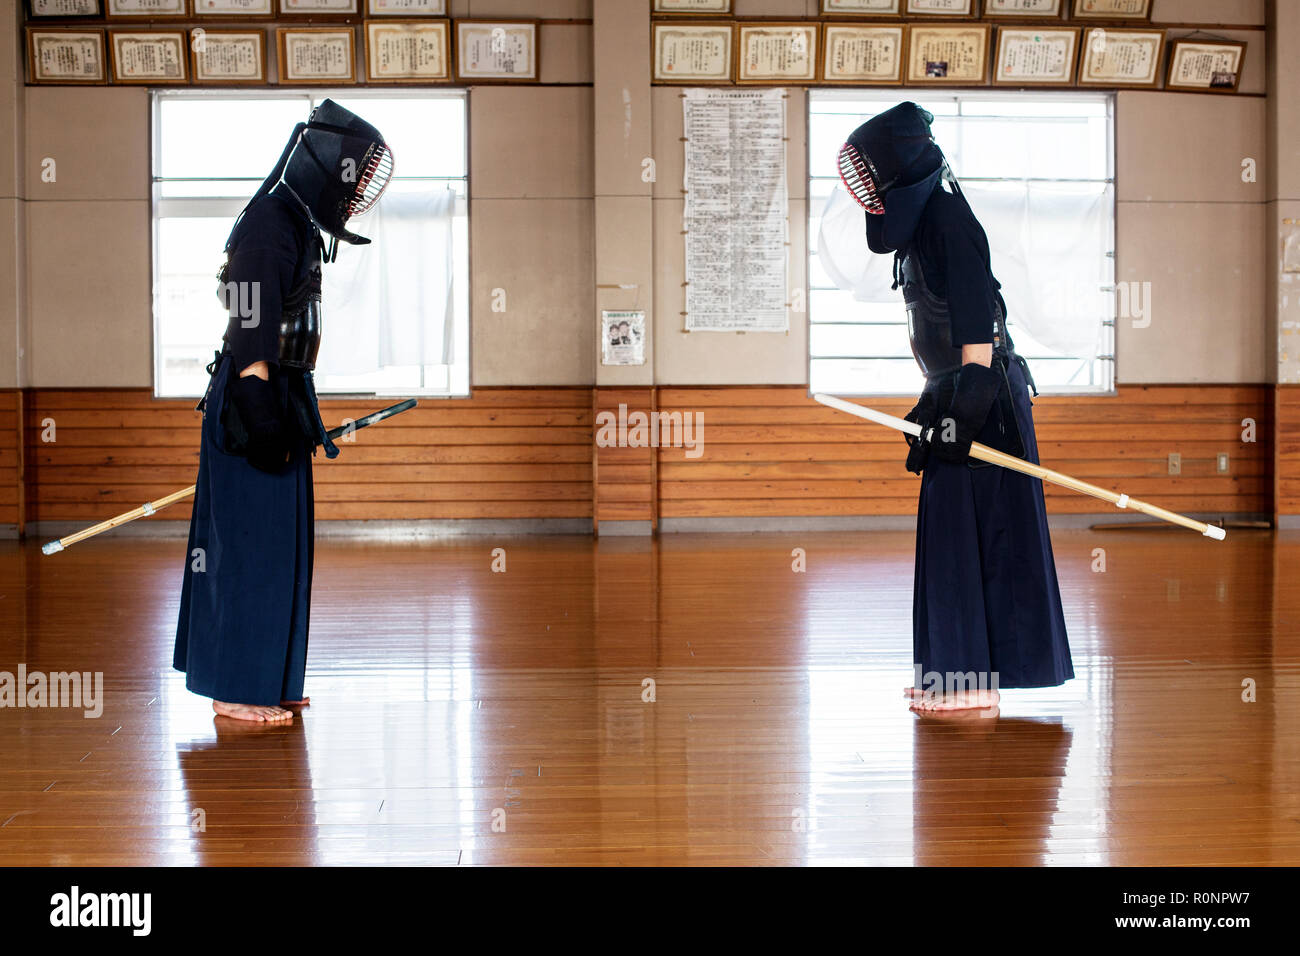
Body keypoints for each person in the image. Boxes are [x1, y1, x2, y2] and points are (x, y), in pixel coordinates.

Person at [836, 102, 1073, 712]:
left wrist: (964, 409)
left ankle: (973, 683)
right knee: (946, 532)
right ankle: (952, 673)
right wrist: (932, 405)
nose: (867, 189)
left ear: (899, 170)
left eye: (872, 174)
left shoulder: (948, 219)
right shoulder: (919, 230)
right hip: (957, 390)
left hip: (986, 396)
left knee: (985, 537)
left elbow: (977, 324)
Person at [174, 100, 394, 722]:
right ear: (328, 169)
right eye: (355, 178)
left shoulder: (295, 222)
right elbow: (249, 324)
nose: (356, 196)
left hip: (281, 395)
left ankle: (268, 676)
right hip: (253, 400)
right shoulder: (272, 220)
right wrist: (261, 413)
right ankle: (235, 690)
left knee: (282, 547)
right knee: (248, 548)